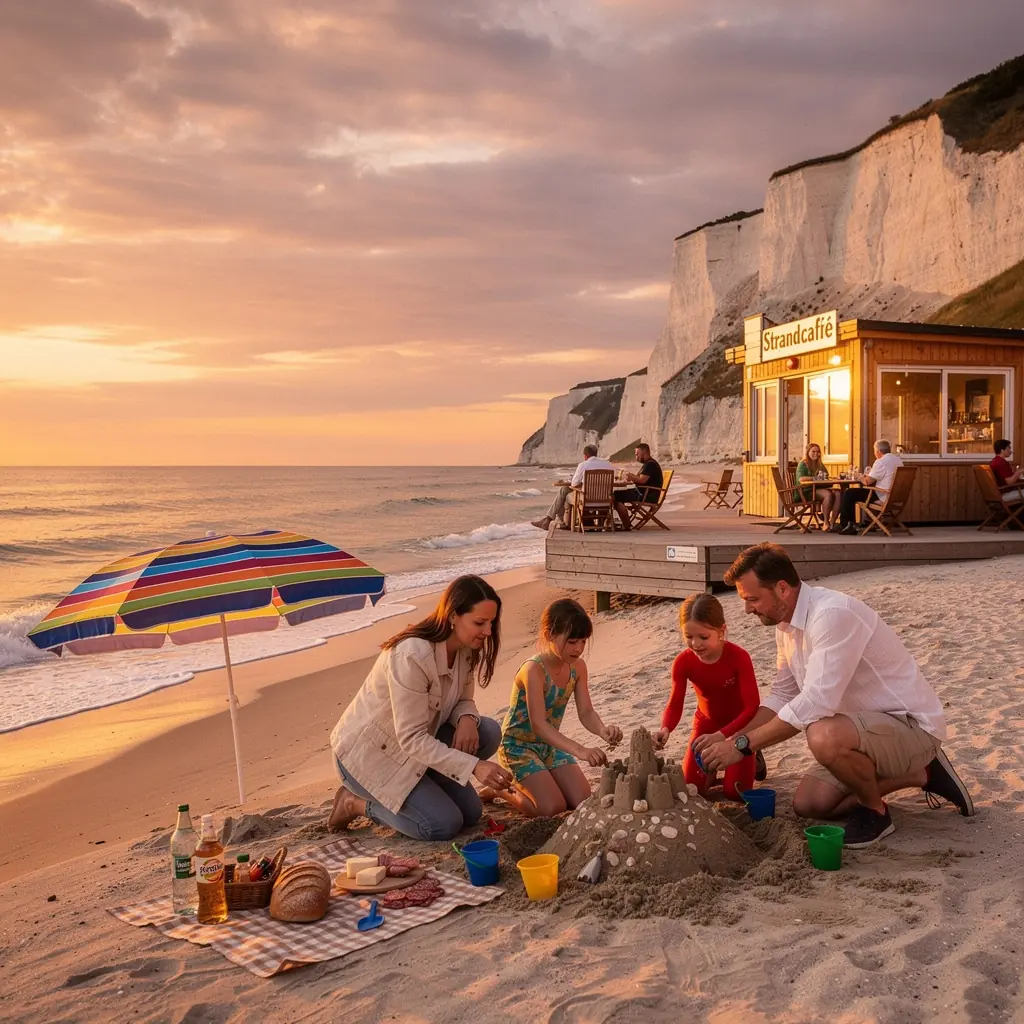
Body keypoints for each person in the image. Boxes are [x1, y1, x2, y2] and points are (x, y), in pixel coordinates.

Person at [697, 542, 975, 849]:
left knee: (822, 734)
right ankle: (923, 773)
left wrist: (742, 746)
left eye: (752, 599)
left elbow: (816, 702)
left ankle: (876, 812)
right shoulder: (785, 626)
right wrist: (729, 737)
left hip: (910, 727)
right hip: (863, 732)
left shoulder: (832, 615)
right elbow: (781, 696)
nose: (747, 609)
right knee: (810, 804)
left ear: (782, 589)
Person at [327, 575, 514, 841]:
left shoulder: (465, 647)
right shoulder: (411, 656)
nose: (487, 631)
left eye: (491, 623)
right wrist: (474, 767)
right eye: (479, 623)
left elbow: (462, 699)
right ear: (452, 616)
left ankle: (430, 783)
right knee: (441, 825)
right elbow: (411, 738)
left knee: (474, 800)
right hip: (369, 759)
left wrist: (467, 718)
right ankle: (354, 803)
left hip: (418, 749)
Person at [487, 598, 623, 817]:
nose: (578, 648)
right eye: (571, 642)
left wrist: (602, 730)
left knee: (580, 800)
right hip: (518, 746)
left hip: (549, 744)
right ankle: (501, 791)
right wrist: (581, 751)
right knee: (551, 808)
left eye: (583, 641)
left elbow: (586, 711)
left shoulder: (577, 667)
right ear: (550, 635)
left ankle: (540, 781)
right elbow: (538, 724)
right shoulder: (534, 670)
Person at [652, 594, 761, 800]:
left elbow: (752, 707)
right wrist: (665, 728)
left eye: (703, 637)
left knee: (736, 792)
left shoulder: (739, 657)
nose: (695, 644)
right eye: (688, 636)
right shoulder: (684, 662)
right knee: (692, 789)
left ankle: (754, 754)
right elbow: (675, 703)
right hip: (706, 726)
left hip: (739, 727)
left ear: (721, 631)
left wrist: (722, 736)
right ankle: (711, 768)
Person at [532, 444, 615, 531]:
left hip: (586, 501)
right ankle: (555, 521)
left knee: (565, 492)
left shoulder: (583, 465)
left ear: (585, 455)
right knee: (564, 490)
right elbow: (612, 481)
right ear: (596, 454)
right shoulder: (608, 465)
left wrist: (580, 483)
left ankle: (554, 520)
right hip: (606, 501)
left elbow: (574, 484)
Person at [835, 439, 903, 535]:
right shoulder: (897, 460)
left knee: (849, 493)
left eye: (875, 451)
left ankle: (847, 525)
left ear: (878, 451)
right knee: (857, 492)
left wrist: (860, 476)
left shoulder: (881, 461)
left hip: (883, 495)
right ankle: (869, 522)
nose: (875, 453)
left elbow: (867, 482)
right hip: (896, 496)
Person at [614, 442, 663, 530]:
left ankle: (626, 525)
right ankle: (624, 523)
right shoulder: (648, 464)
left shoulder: (650, 464)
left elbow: (642, 480)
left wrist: (630, 476)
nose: (636, 457)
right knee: (616, 494)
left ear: (644, 452)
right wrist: (631, 477)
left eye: (637, 454)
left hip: (646, 495)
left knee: (615, 496)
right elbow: (640, 479)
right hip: (644, 493)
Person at [796, 443, 837, 530]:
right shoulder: (803, 464)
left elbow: (825, 476)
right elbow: (801, 479)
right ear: (808, 452)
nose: (816, 453)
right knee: (828, 495)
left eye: (818, 451)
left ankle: (833, 522)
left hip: (818, 489)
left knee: (838, 493)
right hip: (805, 492)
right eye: (813, 451)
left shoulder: (819, 464)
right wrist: (815, 478)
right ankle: (826, 522)